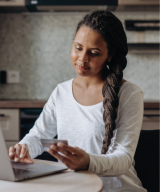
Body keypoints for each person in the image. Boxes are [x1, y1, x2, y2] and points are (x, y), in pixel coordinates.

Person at [8, 11, 146, 192]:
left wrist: (88, 162)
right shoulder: (61, 92)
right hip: (75, 188)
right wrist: (24, 148)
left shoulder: (129, 94)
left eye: (94, 53)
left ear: (109, 55)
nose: (82, 58)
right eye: (78, 48)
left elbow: (123, 158)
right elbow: (39, 136)